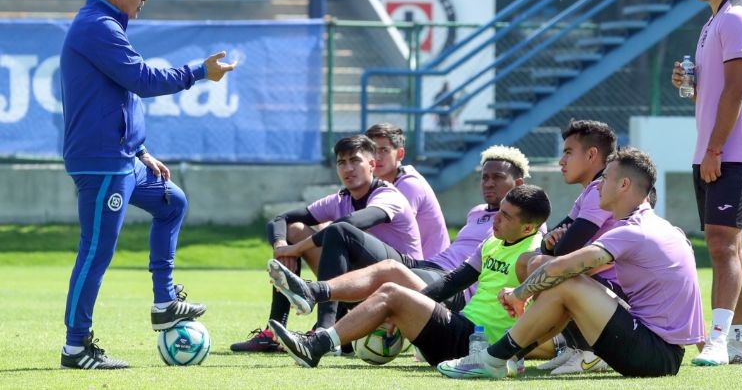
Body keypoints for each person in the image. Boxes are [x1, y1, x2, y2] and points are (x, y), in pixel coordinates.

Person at [59, 0, 237, 370]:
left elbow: (116, 95)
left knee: (172, 202)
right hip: (103, 164)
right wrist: (197, 71)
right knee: (96, 253)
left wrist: (140, 150)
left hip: (122, 157)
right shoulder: (96, 27)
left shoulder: (105, 25)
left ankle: (164, 301)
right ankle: (75, 347)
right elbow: (141, 80)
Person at [231, 144, 530, 352]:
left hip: (448, 290)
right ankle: (289, 323)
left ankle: (318, 310)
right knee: (304, 233)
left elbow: (504, 274)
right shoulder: (477, 211)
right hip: (430, 270)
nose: (488, 183)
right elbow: (283, 220)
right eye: (484, 176)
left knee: (353, 242)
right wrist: (285, 245)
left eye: (497, 177)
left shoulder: (527, 227)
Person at [437, 147, 704, 379]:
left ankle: (492, 359)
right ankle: (506, 357)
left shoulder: (634, 231)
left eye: (605, 179)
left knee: (566, 281)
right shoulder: (660, 226)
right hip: (660, 350)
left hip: (654, 354)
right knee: (564, 282)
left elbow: (563, 267)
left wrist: (519, 294)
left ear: (623, 185)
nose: (597, 186)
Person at [268, 184, 550, 371]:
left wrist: (516, 353)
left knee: (392, 288)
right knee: (392, 284)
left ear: (527, 228)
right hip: (460, 328)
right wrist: (412, 306)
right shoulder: (492, 240)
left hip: (480, 347)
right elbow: (454, 281)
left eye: (506, 217)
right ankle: (311, 294)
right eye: (498, 211)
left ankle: (315, 344)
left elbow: (551, 310)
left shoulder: (534, 255)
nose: (496, 219)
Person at [230, 135, 421, 351]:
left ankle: (325, 328)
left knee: (339, 232)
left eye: (355, 160)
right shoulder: (341, 199)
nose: (348, 168)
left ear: (372, 164)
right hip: (362, 287)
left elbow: (352, 223)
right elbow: (279, 220)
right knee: (295, 229)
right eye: (342, 162)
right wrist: (282, 249)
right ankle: (273, 333)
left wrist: (298, 249)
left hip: (405, 289)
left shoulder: (388, 195)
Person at [672, 0, 742, 366]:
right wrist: (687, 82)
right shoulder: (714, 21)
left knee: (721, 243)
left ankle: (718, 339)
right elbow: (713, 90)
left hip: (734, 151)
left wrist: (715, 149)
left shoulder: (739, 18)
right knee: (728, 244)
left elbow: (737, 90)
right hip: (713, 151)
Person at [519, 119, 620, 375]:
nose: (561, 161)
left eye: (567, 152)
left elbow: (565, 249)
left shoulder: (602, 189)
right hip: (597, 287)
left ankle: (592, 352)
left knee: (540, 265)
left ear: (591, 154)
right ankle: (574, 348)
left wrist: (555, 244)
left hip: (622, 295)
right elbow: (551, 241)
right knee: (527, 261)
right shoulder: (588, 191)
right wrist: (552, 241)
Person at [365, 123, 450, 259]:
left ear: (400, 154)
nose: (377, 157)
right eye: (372, 151)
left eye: (384, 150)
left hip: (431, 270)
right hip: (410, 265)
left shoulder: (409, 184)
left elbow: (394, 235)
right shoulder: (383, 185)